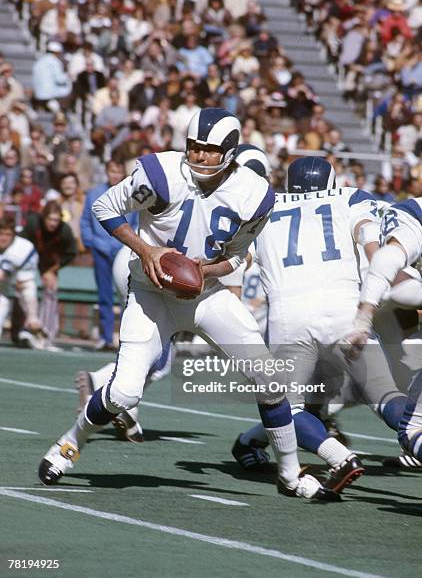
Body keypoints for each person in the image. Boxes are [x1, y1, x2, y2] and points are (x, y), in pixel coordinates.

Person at [38, 108, 338, 501]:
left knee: (269, 378)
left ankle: (290, 474)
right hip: (151, 294)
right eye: (193, 147)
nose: (197, 156)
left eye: (208, 150)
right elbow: (103, 209)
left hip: (205, 296)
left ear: (229, 153)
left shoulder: (255, 194)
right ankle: (69, 442)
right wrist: (146, 249)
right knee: (125, 393)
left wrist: (207, 269)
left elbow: (236, 256)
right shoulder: (161, 173)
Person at [232, 156, 408, 492]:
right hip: (344, 311)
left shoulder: (264, 205)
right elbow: (368, 235)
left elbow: (241, 258)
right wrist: (381, 268)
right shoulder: (349, 197)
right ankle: (412, 435)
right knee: (384, 397)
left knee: (288, 407)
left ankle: (336, 455)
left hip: (289, 317)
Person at [345, 197, 422, 461]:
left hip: (370, 293)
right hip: (369, 292)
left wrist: (364, 315)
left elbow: (382, 257)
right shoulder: (366, 208)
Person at [80, 160, 135, 350]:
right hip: (101, 250)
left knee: (128, 296)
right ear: (106, 172)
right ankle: (105, 336)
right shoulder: (94, 193)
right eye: (112, 171)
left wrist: (131, 245)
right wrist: (91, 242)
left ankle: (126, 338)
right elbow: (86, 220)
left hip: (123, 251)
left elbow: (136, 221)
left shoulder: (130, 192)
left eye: (118, 171)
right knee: (104, 295)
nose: (115, 175)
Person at [21, 201, 77, 346]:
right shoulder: (33, 223)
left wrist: (51, 271)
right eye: (50, 219)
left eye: (57, 220)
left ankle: (46, 334)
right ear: (44, 217)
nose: (53, 223)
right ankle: (22, 331)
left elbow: (71, 253)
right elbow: (20, 244)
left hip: (49, 262)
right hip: (27, 259)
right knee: (24, 288)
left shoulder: (64, 230)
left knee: (51, 288)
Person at [0, 217, 41, 345]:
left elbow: (2, 275)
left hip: (22, 277)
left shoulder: (20, 248)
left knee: (28, 291)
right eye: (0, 233)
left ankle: (32, 328)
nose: (3, 238)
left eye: (8, 234)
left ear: (14, 236)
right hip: (4, 284)